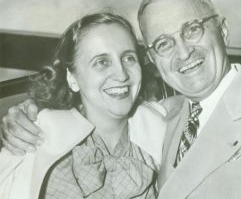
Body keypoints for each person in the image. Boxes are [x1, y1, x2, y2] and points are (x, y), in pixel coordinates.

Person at [2, 0, 241, 199]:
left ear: (222, 31)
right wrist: (29, 113)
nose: (183, 52)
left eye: (192, 29)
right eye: (163, 43)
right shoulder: (166, 119)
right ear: (155, 60)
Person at [0, 12, 167, 199]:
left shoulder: (162, 126)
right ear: (72, 78)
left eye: (128, 58)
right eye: (102, 62)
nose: (121, 75)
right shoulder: (34, 134)